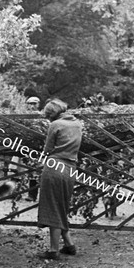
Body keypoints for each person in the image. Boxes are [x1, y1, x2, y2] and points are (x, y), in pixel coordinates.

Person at [37, 99, 83, 259]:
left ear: (50, 115)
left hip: (54, 167)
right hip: (70, 169)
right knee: (61, 206)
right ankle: (69, 245)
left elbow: (48, 149)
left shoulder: (55, 125)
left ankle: (53, 250)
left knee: (52, 207)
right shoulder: (77, 124)